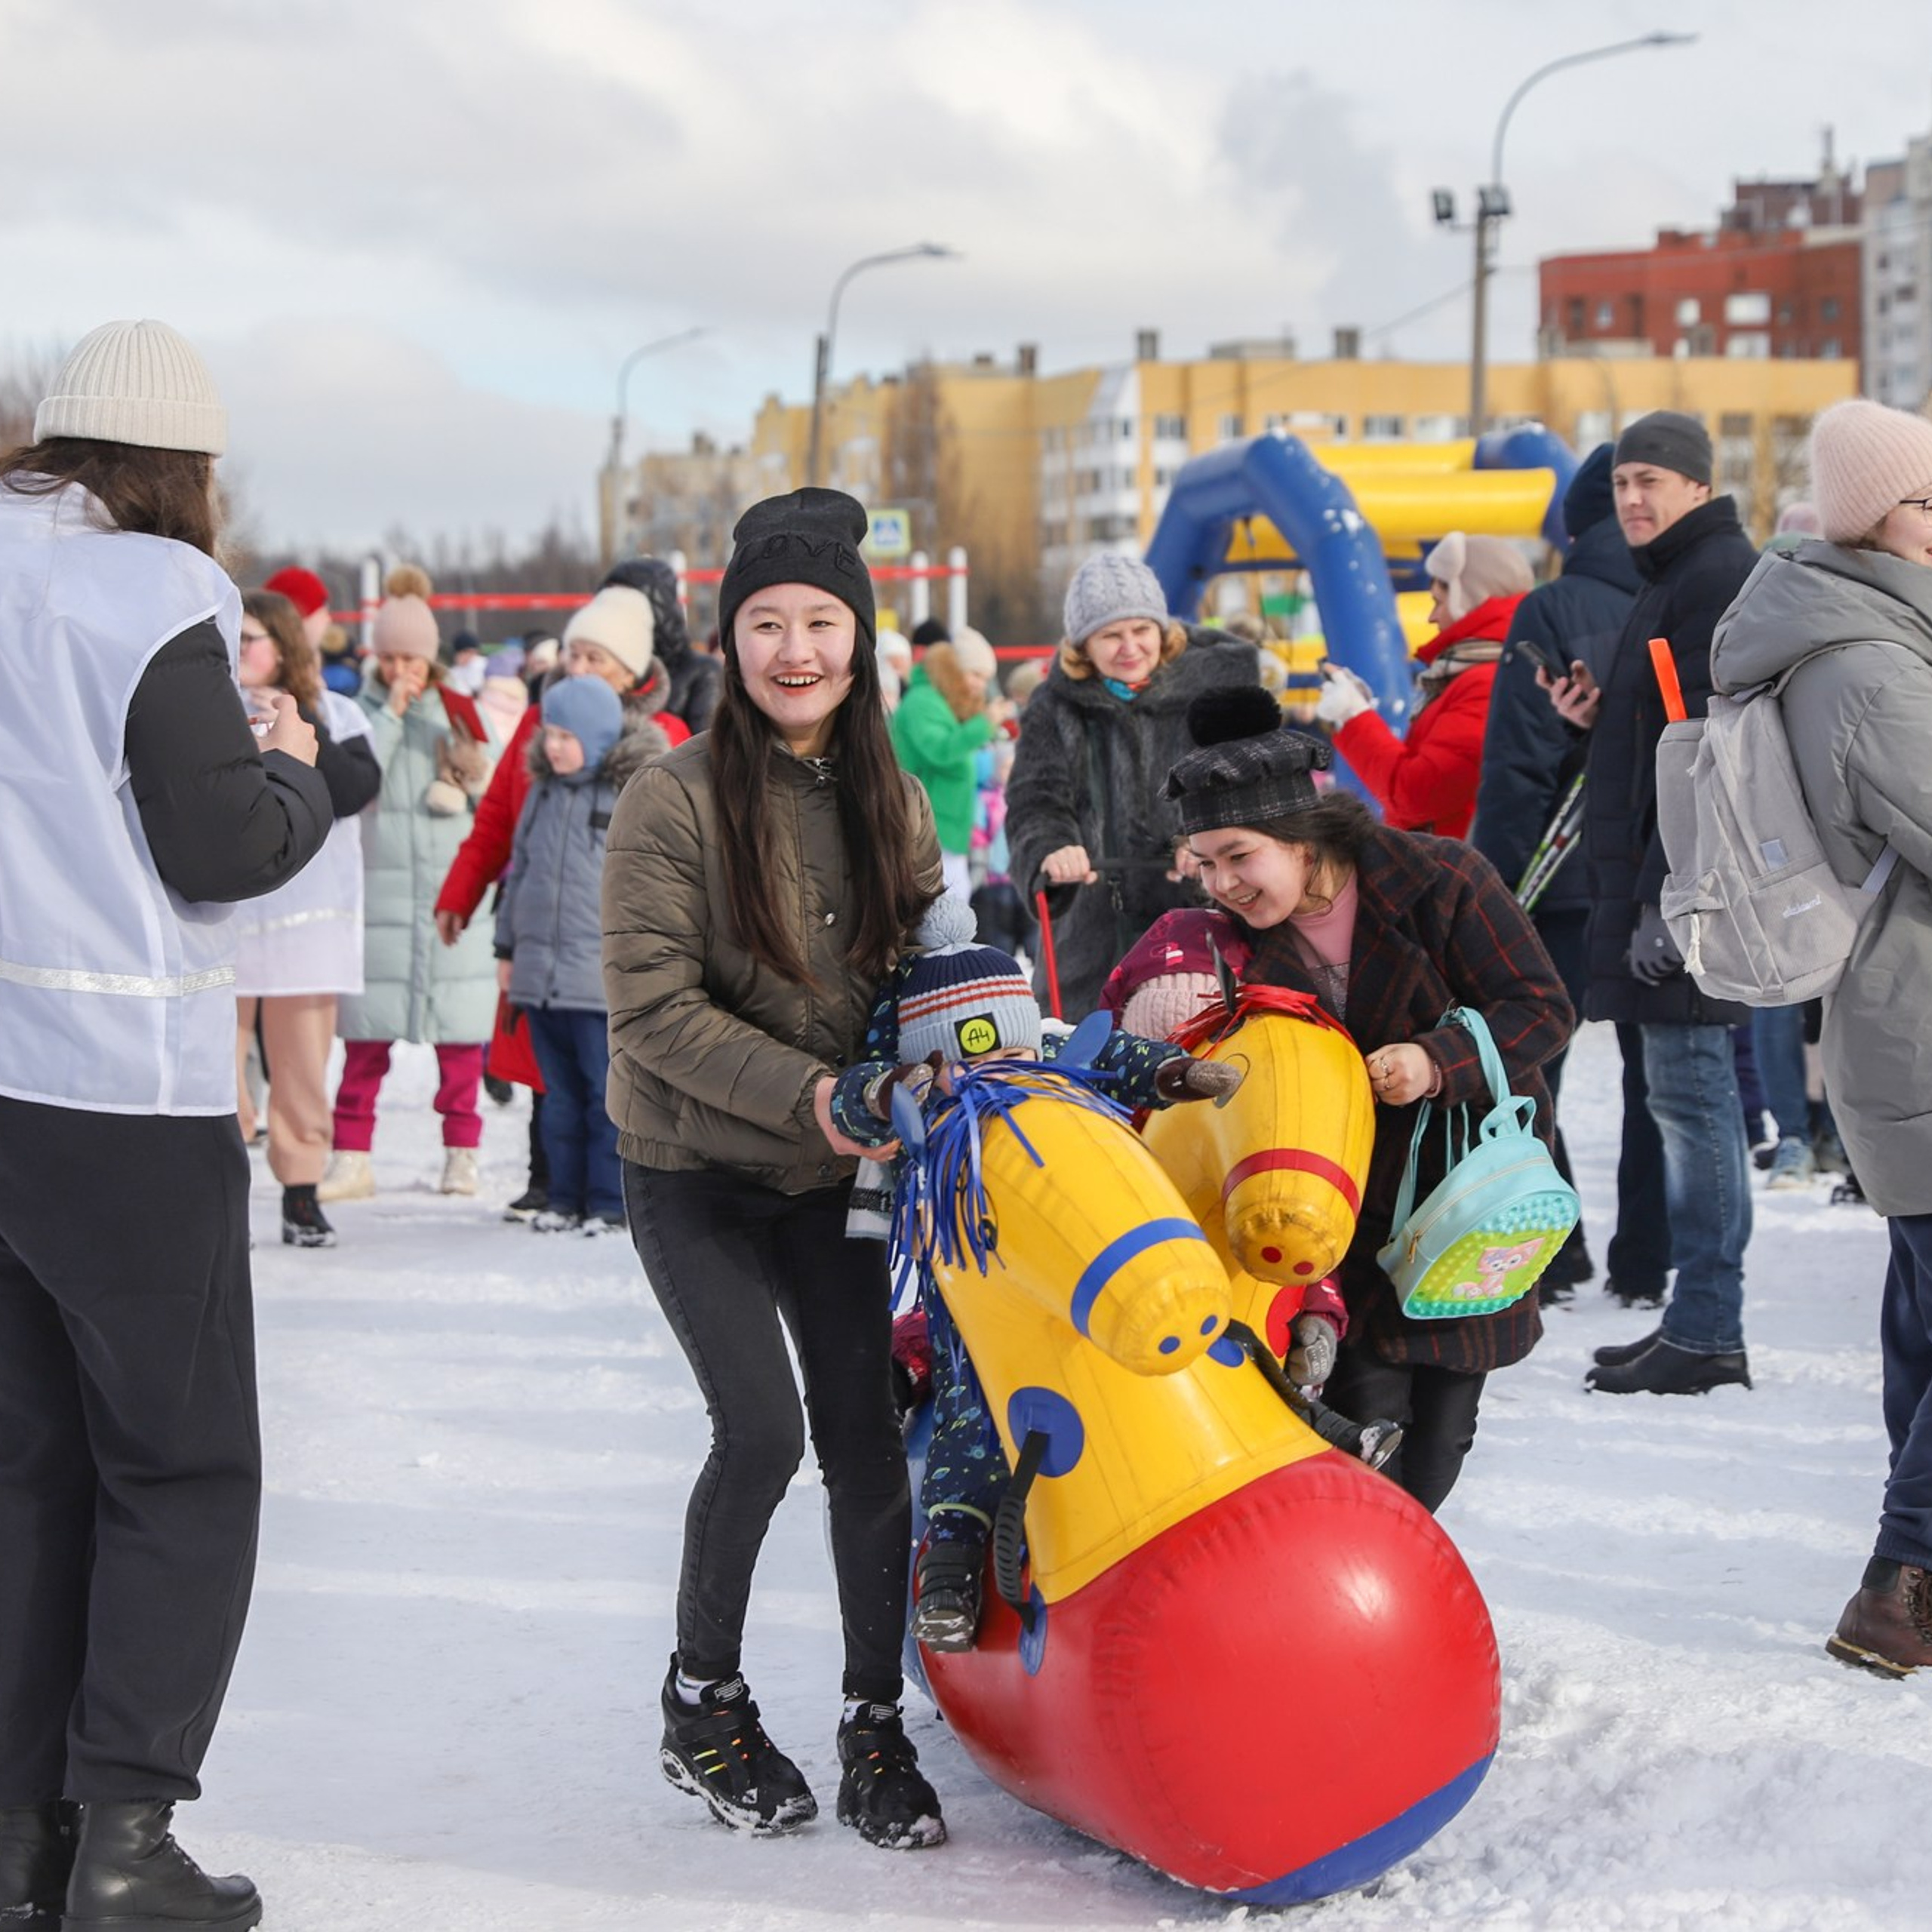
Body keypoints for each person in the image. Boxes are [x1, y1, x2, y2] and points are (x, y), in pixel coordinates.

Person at [0, 320, 331, 1930]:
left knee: (27, 1467)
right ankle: (123, 1841)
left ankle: (18, 1843)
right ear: (181, 467)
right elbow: (219, 845)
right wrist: (316, 783)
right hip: (117, 1082)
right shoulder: (148, 590)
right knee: (180, 1467)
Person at [602, 486, 948, 1848]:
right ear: (731, 639)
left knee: (869, 1443)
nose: (794, 648)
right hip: (694, 1166)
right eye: (765, 623)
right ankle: (706, 1703)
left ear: (858, 646)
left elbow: (925, 967)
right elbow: (650, 1010)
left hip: (835, 1176)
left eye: (821, 623)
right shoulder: (669, 797)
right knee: (762, 1430)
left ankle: (876, 1725)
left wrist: (967, 1033)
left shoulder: (893, 796)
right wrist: (821, 1092)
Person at [1163, 685, 1573, 1513]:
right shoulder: (1233, 946)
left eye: (1239, 856)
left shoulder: (1442, 880)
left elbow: (1541, 1008)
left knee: (1441, 1435)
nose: (1224, 884)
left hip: (1460, 1201)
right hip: (1334, 1211)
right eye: (1205, 864)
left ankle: (1397, 1600)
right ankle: (1357, 1602)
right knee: (1354, 1422)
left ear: (1303, 835)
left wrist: (1435, 1060)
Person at [823, 897, 1254, 1653]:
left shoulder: (1049, 1069)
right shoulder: (936, 1109)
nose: (998, 1068)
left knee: (1212, 1332)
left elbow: (1111, 1053)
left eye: (1009, 1046)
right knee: (974, 1421)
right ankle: (950, 1572)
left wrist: (1180, 1072)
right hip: (980, 1303)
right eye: (969, 1056)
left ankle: (1296, 1430)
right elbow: (865, 1102)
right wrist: (896, 1087)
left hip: (1092, 1275)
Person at [1707, 398, 1932, 1674]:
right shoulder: (1866, 667)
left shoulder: (1873, 638)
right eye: (1925, 505)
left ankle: (1914, 1588)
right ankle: (1899, 1591)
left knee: (1922, 1320)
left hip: (1900, 1020)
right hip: (1917, 1022)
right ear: (1867, 521)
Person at [1544, 411, 1761, 1396]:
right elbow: (1667, 740)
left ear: (1696, 485)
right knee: (1684, 1104)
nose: (1633, 499)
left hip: (1687, 902)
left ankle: (1711, 1325)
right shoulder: (1673, 576)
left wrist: (1674, 902)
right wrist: (1600, 724)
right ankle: (1696, 1315)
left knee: (1695, 1105)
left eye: (1651, 481)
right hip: (1668, 893)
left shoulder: (1710, 580)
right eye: (1623, 481)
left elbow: (1720, 766)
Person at [1470, 448, 1667, 1305]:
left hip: (1562, 883)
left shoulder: (1549, 609)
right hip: (1661, 873)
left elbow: (1519, 764)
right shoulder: (1681, 600)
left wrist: (1494, 892)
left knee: (1528, 1069)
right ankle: (1645, 1255)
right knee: (1654, 1074)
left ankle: (1551, 1246)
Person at [1005, 552, 1258, 1017]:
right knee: (1085, 1067)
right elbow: (1034, 799)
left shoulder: (1213, 699)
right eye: (1110, 635)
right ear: (1083, 645)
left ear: (1162, 631)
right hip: (1090, 939)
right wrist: (1052, 846)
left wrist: (1203, 846)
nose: (1130, 647)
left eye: (1141, 630)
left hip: (1196, 931)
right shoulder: (1054, 707)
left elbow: (1239, 789)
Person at [319, 566, 500, 1201]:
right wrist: (392, 716)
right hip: (381, 905)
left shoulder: (463, 716)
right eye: (389, 657)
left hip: (451, 905)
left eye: (411, 658)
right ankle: (350, 1155)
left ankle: (462, 1153)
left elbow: (494, 801)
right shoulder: (356, 715)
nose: (400, 670)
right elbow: (357, 782)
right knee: (365, 1047)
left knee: (459, 1047)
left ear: (431, 658)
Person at [232, 589, 382, 1247]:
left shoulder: (335, 710)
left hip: (305, 918)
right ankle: (215, 1189)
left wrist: (300, 727)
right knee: (211, 1065)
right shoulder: (199, 706)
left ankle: (300, 1191)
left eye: (251, 639)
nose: (239, 652)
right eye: (230, 638)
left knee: (299, 1069)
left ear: (284, 646)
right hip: (219, 918)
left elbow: (357, 789)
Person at [496, 675, 665, 1233]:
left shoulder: (625, 794)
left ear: (595, 738)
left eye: (565, 737)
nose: (552, 747)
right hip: (540, 977)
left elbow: (648, 883)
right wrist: (506, 947)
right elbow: (518, 874)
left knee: (602, 1096)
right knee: (559, 1098)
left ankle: (608, 1202)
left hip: (599, 981)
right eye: (549, 734)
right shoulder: (543, 793)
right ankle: (562, 1197)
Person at [1315, 531, 1532, 838]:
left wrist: (1353, 715)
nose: (1431, 617)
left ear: (1468, 599)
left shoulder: (1484, 683)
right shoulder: (1487, 673)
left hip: (1452, 871)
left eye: (1438, 602)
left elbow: (1415, 795)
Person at [890, 626, 1011, 899]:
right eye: (975, 675)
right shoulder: (923, 702)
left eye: (985, 678)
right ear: (954, 670)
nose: (980, 685)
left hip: (942, 829)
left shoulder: (939, 703)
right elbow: (941, 750)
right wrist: (984, 724)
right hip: (929, 830)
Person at [599, 555, 721, 733]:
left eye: (625, 605)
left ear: (656, 608)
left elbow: (706, 747)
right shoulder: (602, 666)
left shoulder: (701, 671)